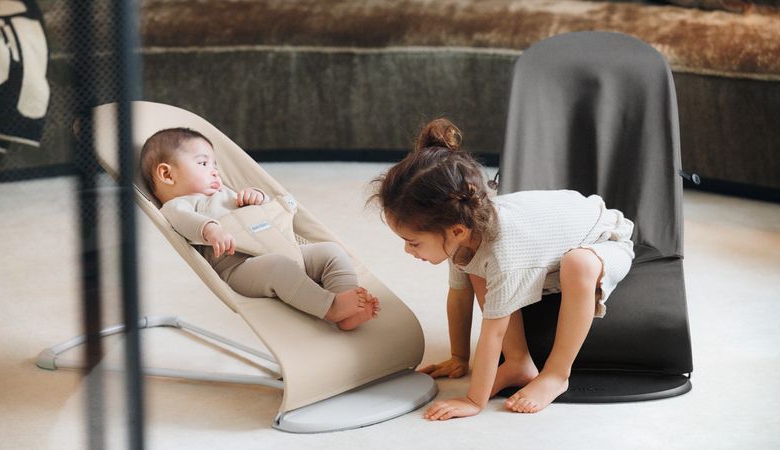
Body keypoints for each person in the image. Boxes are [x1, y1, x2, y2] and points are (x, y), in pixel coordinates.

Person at [369, 118, 634, 417]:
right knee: (475, 269)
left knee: (578, 264)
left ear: (455, 230)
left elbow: (493, 332)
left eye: (413, 242)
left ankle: (556, 374)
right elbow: (459, 295)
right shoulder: (463, 235)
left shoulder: (502, 252)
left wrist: (473, 401)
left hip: (604, 240)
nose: (407, 250)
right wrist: (459, 357)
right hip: (546, 253)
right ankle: (518, 362)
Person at [140, 127, 379, 331]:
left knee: (330, 251)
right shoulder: (178, 205)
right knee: (280, 267)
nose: (214, 171)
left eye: (215, 164)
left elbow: (266, 215)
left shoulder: (226, 194)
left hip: (283, 246)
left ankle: (348, 300)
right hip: (241, 267)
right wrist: (211, 229)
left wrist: (258, 197)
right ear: (166, 174)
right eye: (203, 163)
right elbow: (184, 220)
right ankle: (331, 308)